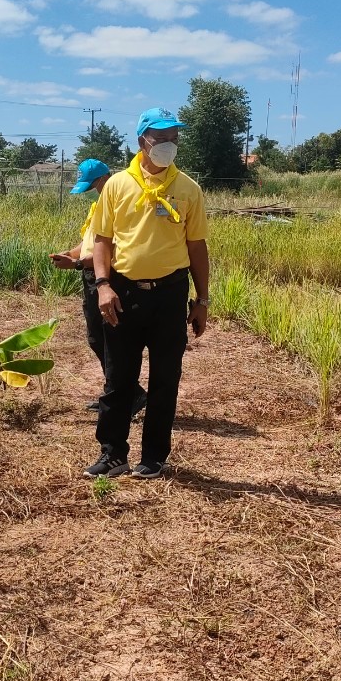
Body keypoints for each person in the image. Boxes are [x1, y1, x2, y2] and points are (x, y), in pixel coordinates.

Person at [84, 108, 209, 480]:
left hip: (170, 294)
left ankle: (153, 457)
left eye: (174, 138)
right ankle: (113, 454)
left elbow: (197, 246)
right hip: (122, 293)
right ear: (142, 141)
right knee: (118, 378)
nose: (169, 144)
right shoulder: (117, 186)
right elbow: (102, 240)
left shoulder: (188, 189)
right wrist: (103, 286)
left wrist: (202, 300)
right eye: (161, 137)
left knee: (165, 379)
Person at [49, 159, 147, 415]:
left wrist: (77, 263)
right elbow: (89, 244)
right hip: (91, 277)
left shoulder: (119, 207)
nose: (91, 192)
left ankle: (125, 395)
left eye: (92, 186)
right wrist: (69, 254)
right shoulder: (98, 207)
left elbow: (111, 251)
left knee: (111, 340)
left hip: (107, 279)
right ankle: (119, 392)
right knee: (97, 338)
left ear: (105, 179)